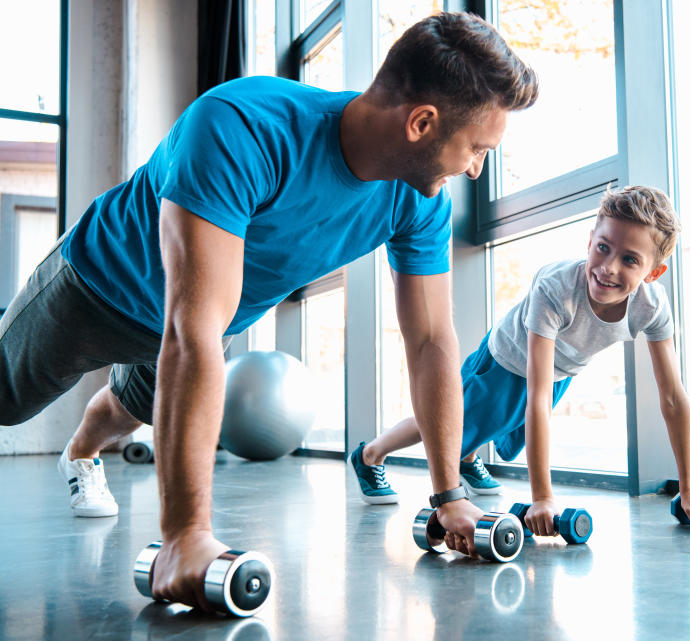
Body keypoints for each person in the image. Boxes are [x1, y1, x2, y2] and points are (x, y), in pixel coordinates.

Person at [0, 12, 537, 608]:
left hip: (191, 326)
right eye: (477, 149)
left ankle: (78, 454)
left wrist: (448, 495)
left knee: (131, 411)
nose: (475, 169)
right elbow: (192, 326)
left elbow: (432, 342)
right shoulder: (244, 125)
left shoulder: (418, 202)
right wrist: (184, 537)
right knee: (5, 399)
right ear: (421, 122)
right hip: (97, 290)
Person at [353, 186, 690, 532]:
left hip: (560, 372)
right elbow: (535, 395)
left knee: (498, 436)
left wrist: (688, 487)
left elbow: (672, 397)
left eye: (630, 260)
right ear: (590, 241)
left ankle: (467, 455)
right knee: (446, 423)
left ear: (653, 273)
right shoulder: (556, 288)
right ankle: (371, 454)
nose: (608, 267)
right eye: (603, 248)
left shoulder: (652, 307)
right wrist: (542, 498)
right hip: (504, 363)